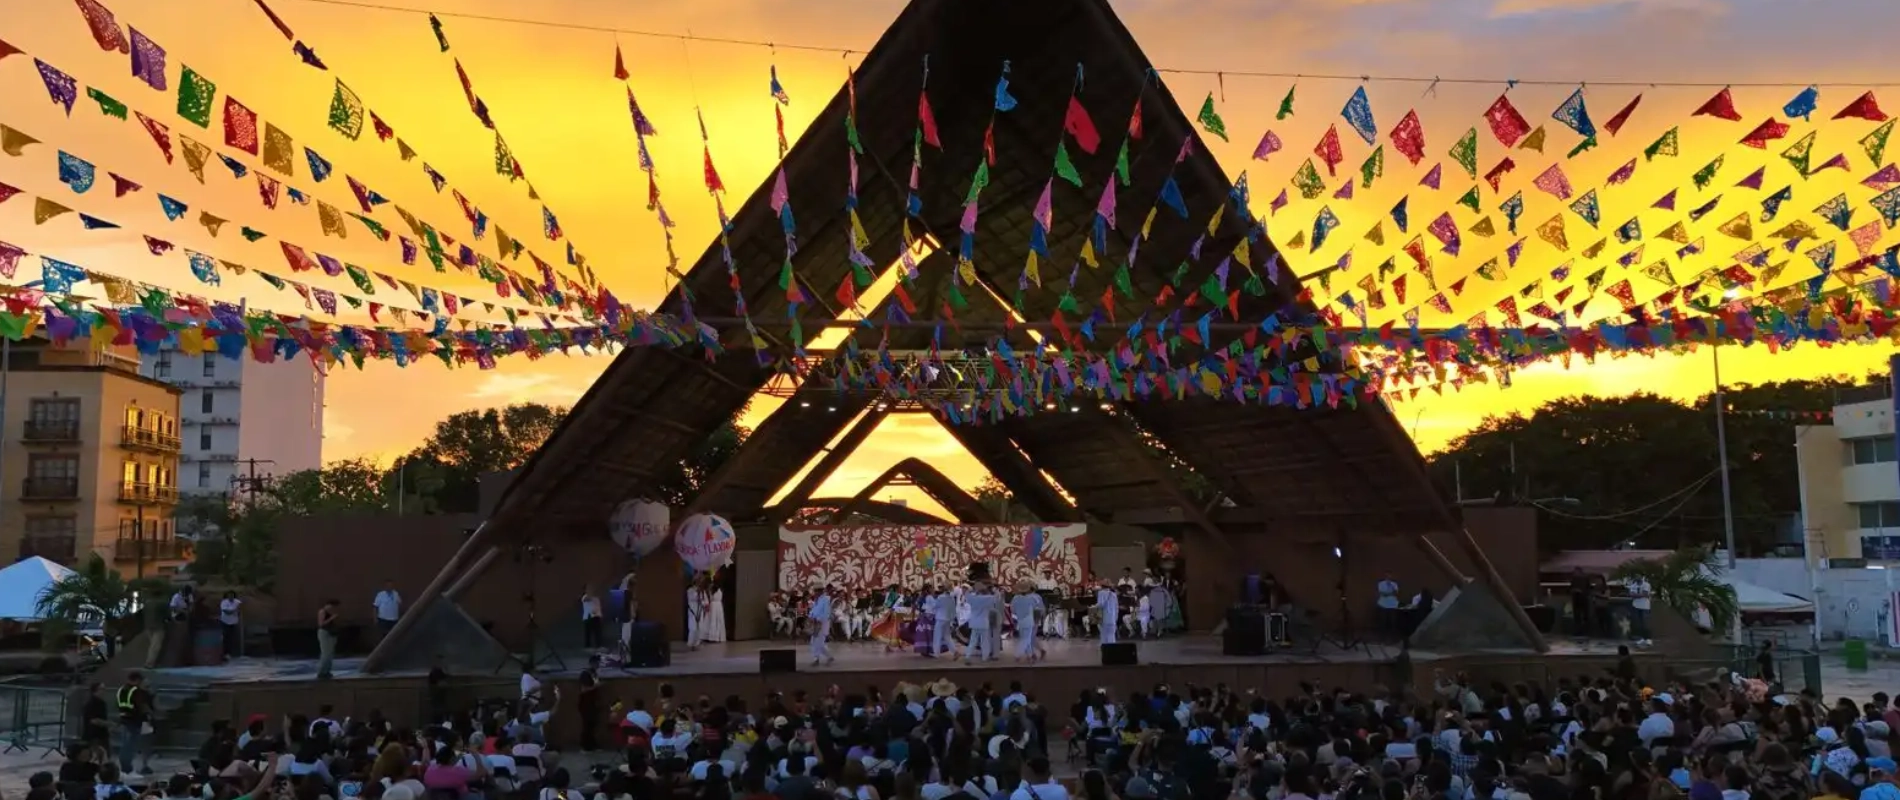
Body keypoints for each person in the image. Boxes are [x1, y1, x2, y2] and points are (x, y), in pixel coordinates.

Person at [114, 671, 153, 775]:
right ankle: (127, 769)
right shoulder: (136, 691)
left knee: (125, 745)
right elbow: (142, 705)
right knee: (130, 745)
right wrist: (150, 714)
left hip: (124, 719)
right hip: (135, 720)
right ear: (137, 680)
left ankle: (124, 767)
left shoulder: (121, 689)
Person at [1010, 580, 1045, 663]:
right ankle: (1032, 654)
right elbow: (1040, 609)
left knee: (1028, 638)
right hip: (1029, 619)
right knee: (1028, 638)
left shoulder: (1034, 597)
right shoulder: (1032, 598)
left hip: (1027, 620)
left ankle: (1029, 655)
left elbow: (1013, 610)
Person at [965, 582, 998, 664]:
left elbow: (966, 594)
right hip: (984, 622)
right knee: (985, 641)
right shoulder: (988, 598)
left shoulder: (972, 598)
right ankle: (985, 657)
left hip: (974, 622)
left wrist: (970, 589)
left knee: (972, 641)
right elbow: (997, 598)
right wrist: (995, 590)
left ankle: (968, 656)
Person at [577, 654, 603, 752]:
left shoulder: (594, 674)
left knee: (593, 725)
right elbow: (583, 689)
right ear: (591, 663)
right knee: (586, 725)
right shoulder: (585, 674)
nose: (598, 665)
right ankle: (584, 746)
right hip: (585, 704)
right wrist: (596, 686)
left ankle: (592, 745)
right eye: (596, 663)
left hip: (593, 703)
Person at [809, 583, 836, 667]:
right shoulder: (817, 600)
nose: (815, 592)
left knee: (819, 642)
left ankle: (818, 658)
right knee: (814, 641)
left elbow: (826, 612)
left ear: (820, 591)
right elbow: (814, 610)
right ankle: (822, 657)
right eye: (814, 591)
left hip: (822, 623)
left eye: (816, 591)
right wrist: (811, 616)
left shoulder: (826, 599)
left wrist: (819, 620)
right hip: (815, 622)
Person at [929, 584, 957, 658]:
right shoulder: (951, 598)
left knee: (937, 636)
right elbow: (953, 610)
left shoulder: (941, 597)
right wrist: (952, 619)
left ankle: (936, 653)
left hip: (940, 618)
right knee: (947, 636)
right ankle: (954, 651)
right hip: (947, 619)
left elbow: (935, 606)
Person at [315, 598, 339, 680]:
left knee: (330, 653)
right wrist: (331, 618)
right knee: (325, 653)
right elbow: (321, 624)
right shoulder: (322, 611)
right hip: (324, 633)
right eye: (332, 606)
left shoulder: (331, 612)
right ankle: (321, 672)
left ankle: (327, 671)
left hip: (332, 633)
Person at [1626, 575, 1652, 645]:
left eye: (1638, 576)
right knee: (1639, 623)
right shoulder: (1633, 585)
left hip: (1645, 607)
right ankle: (1641, 638)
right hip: (1636, 606)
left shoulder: (1646, 585)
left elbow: (1645, 594)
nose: (1637, 577)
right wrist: (1641, 595)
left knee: (1645, 623)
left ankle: (1648, 638)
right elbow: (1631, 594)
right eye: (1636, 576)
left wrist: (1636, 595)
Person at [218, 591, 243, 659]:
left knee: (233, 638)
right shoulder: (224, 602)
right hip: (225, 622)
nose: (230, 597)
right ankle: (225, 653)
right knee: (226, 637)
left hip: (234, 622)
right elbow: (227, 612)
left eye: (232, 596)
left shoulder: (237, 602)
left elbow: (240, 609)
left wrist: (235, 610)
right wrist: (235, 610)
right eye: (229, 596)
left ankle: (233, 653)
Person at [1096, 579, 1119, 645]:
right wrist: (1116, 617)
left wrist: (1094, 606)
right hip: (1112, 618)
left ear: (1102, 586)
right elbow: (1116, 607)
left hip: (1104, 617)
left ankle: (1105, 651)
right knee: (1111, 635)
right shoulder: (1114, 595)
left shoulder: (1101, 593)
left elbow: (1100, 605)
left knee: (1103, 635)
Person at [580, 584, 604, 650]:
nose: (591, 589)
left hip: (597, 616)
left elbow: (598, 607)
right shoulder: (585, 597)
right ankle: (588, 646)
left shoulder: (596, 598)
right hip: (589, 617)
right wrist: (589, 592)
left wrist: (600, 615)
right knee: (588, 632)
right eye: (589, 588)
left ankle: (599, 645)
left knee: (598, 632)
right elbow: (587, 599)